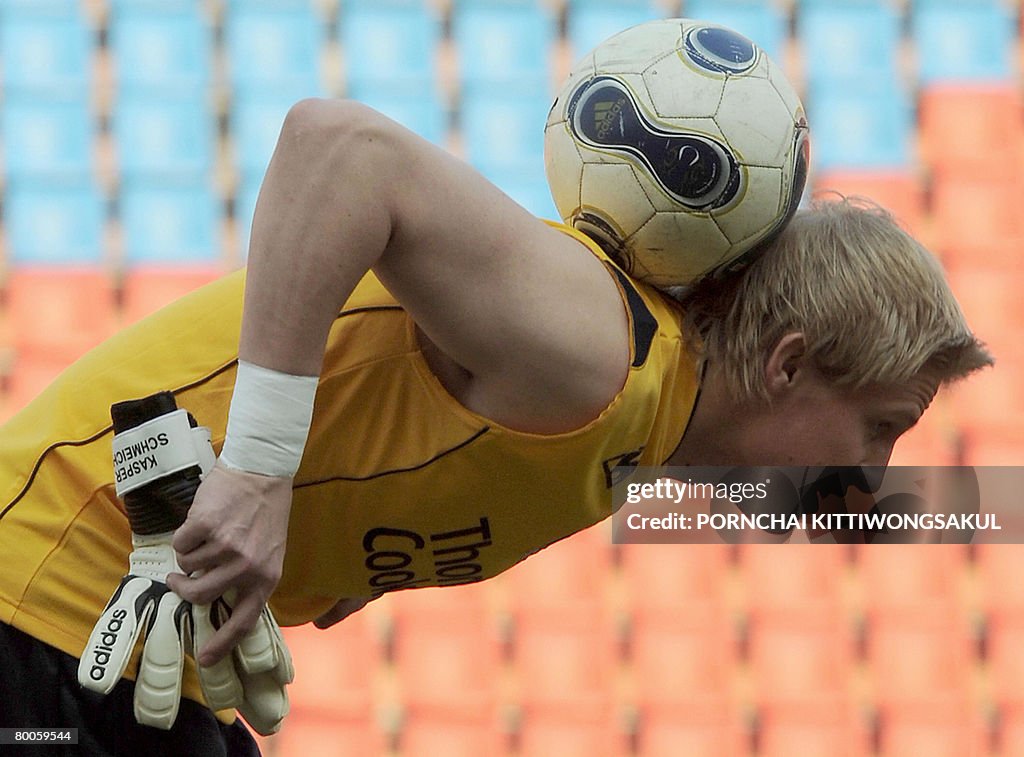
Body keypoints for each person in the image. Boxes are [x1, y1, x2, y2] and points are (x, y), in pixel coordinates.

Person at [0, 98, 992, 753]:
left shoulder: (633, 430)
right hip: (41, 600)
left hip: (105, 642)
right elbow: (337, 148)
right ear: (788, 362)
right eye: (880, 426)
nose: (874, 475)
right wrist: (259, 470)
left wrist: (316, 555)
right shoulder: (603, 348)